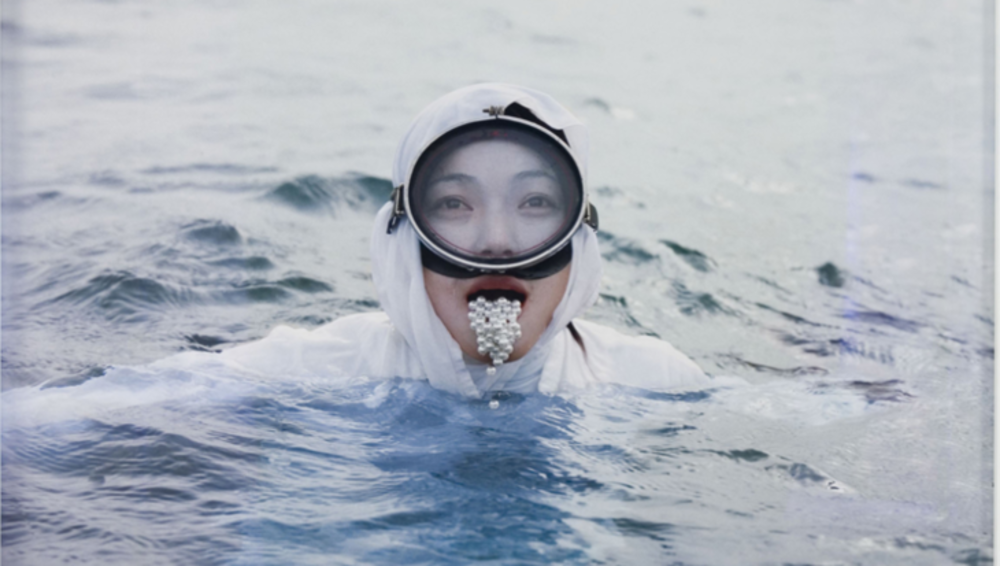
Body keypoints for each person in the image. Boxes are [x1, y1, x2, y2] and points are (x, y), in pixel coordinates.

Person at [220, 83, 709, 398]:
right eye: (454, 204)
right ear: (402, 231)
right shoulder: (303, 371)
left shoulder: (656, 381)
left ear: (580, 235)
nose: (496, 244)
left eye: (534, 202)